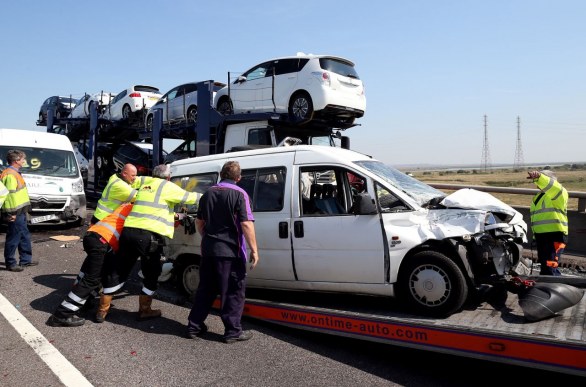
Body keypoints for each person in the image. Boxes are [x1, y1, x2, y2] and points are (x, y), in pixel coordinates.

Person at [107, 164, 200, 321]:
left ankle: (102, 310)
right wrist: (212, 192)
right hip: (147, 236)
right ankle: (145, 310)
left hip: (128, 232)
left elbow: (128, 181)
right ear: (168, 177)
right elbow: (191, 198)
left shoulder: (144, 181)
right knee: (152, 272)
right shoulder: (169, 187)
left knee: (120, 269)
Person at [187, 160, 259, 344]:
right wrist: (254, 250)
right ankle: (232, 331)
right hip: (230, 252)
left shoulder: (208, 193)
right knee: (232, 291)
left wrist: (208, 237)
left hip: (209, 250)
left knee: (206, 289)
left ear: (221, 175)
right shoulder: (240, 194)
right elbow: (246, 224)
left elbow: (199, 222)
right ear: (238, 177)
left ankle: (194, 326)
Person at [46, 203, 133, 327]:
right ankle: (61, 314)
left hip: (92, 236)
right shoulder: (137, 212)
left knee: (93, 274)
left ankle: (85, 303)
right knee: (91, 279)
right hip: (102, 241)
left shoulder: (127, 205)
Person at [527, 169, 569, 276]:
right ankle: (551, 287)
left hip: (555, 236)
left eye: (541, 179)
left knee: (550, 266)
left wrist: (539, 177)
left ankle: (552, 289)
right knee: (547, 267)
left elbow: (551, 186)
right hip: (542, 236)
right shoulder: (539, 196)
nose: (536, 183)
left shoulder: (559, 192)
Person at [1, 150, 35, 272]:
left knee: (24, 235)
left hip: (20, 211)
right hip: (15, 212)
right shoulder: (10, 175)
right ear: (16, 161)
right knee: (13, 237)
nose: (24, 161)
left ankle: (25, 260)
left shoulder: (14, 173)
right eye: (22, 159)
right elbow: (9, 196)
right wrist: (11, 213)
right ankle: (10, 262)